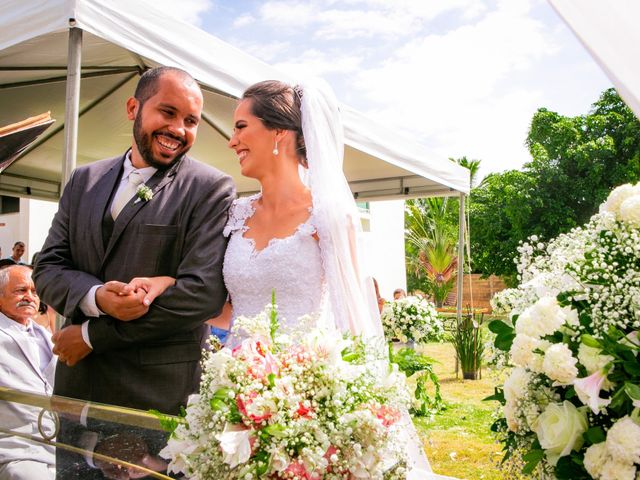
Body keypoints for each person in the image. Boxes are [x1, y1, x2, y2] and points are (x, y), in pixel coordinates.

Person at [138, 80, 451, 479]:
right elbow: (223, 307)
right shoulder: (233, 214)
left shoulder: (329, 217)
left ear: (279, 134)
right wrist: (167, 283)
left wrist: (357, 402)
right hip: (232, 394)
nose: (231, 141)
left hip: (306, 399)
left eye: (240, 127)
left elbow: (354, 318)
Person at [33, 66, 235, 477]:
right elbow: (48, 265)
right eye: (168, 112)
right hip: (78, 390)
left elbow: (201, 293)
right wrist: (94, 296)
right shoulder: (83, 180)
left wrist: (92, 334)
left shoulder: (210, 188)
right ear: (133, 108)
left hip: (155, 401)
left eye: (190, 121)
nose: (178, 129)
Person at [0, 265, 56, 480]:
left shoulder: (46, 336)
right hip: (12, 449)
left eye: (34, 291)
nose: (29, 297)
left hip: (57, 447)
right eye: (20, 290)